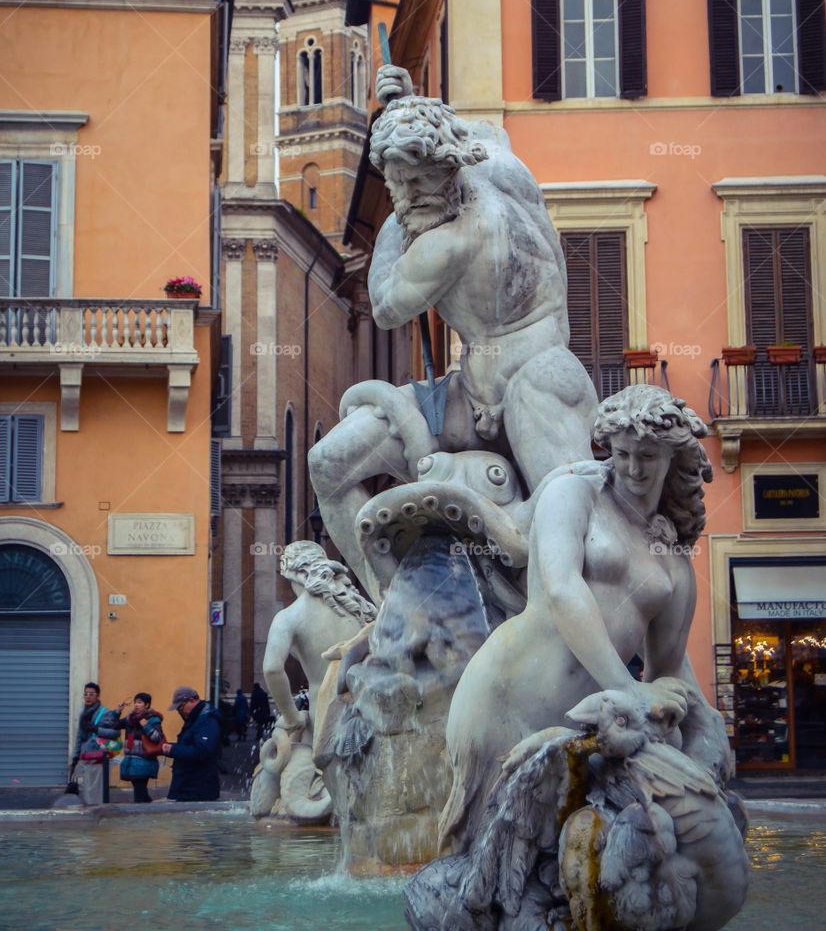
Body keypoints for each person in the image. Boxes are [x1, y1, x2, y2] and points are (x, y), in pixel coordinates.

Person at [308, 65, 596, 597]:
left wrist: (396, 214)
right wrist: (409, 107)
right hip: (468, 390)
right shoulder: (501, 162)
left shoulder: (449, 242)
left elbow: (385, 306)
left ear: (449, 169)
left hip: (538, 383)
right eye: (399, 184)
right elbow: (476, 132)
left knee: (576, 540)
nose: (411, 195)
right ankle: (395, 609)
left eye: (419, 183)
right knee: (328, 462)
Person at [440, 385, 730, 853]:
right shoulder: (573, 494)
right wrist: (628, 691)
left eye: (648, 456)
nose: (633, 468)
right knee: (485, 866)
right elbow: (561, 590)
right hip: (506, 697)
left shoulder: (671, 554)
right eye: (622, 453)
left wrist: (702, 723)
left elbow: (668, 665)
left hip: (590, 726)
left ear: (672, 458)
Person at [160, 686, 222, 801]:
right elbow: (190, 745)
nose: (180, 711)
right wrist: (172, 748)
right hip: (188, 786)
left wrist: (173, 750)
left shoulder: (206, 719)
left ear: (192, 701)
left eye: (181, 707)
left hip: (197, 789)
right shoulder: (196, 718)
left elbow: (202, 751)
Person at [111, 692, 164, 803]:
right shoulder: (130, 718)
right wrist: (118, 711)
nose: (136, 705)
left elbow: (157, 738)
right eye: (135, 702)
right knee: (142, 794)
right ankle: (149, 812)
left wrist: (146, 726)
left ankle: (140, 815)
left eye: (139, 702)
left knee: (139, 795)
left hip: (144, 761)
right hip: (131, 761)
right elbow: (114, 725)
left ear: (147, 705)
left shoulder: (153, 719)